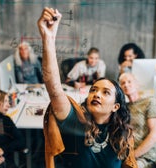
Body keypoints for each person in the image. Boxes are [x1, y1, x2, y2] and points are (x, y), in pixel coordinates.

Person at [37, 7, 137, 168]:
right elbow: (54, 88)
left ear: (115, 106)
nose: (96, 94)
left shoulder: (123, 135)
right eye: (93, 90)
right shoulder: (75, 123)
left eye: (105, 92)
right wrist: (48, 37)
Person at [119, 73, 156, 168]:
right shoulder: (123, 107)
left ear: (137, 84)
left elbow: (154, 136)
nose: (126, 85)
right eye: (123, 83)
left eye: (129, 81)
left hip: (145, 155)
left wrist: (132, 156)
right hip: (126, 152)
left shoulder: (149, 102)